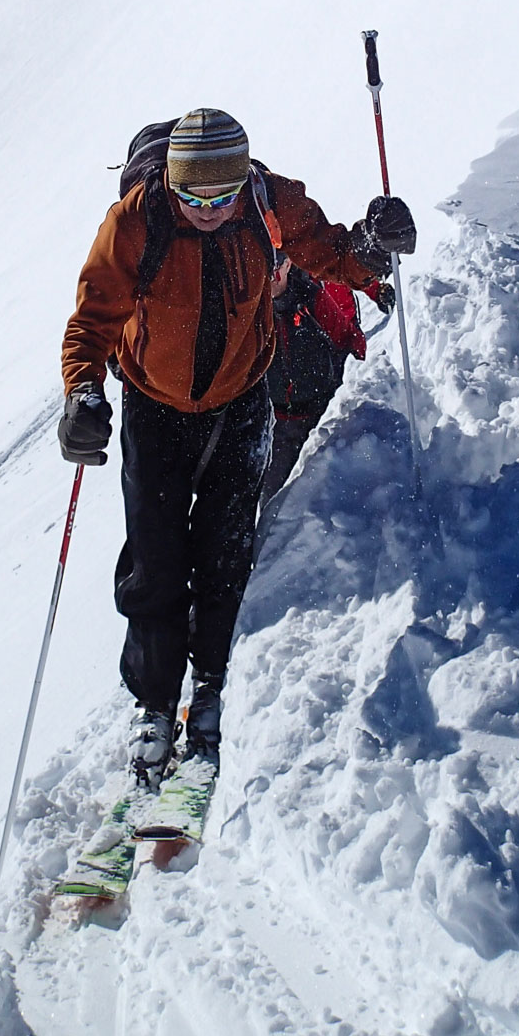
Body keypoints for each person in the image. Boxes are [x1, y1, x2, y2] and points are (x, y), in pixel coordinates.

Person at [57, 107, 415, 788]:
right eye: (194, 199)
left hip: (242, 404)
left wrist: (374, 244)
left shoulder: (266, 201)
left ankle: (213, 683)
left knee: (224, 552)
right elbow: (93, 317)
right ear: (172, 184)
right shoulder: (136, 221)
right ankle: (155, 703)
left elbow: (330, 253)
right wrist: (82, 395)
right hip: (153, 410)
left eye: (222, 198)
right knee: (156, 561)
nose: (211, 212)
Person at [261, 257, 392, 505]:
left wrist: (376, 290)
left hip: (319, 411)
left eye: (277, 266)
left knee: (318, 497)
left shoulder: (311, 289)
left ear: (287, 264)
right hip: (275, 422)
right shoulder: (251, 305)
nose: (271, 275)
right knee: (274, 505)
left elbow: (345, 268)